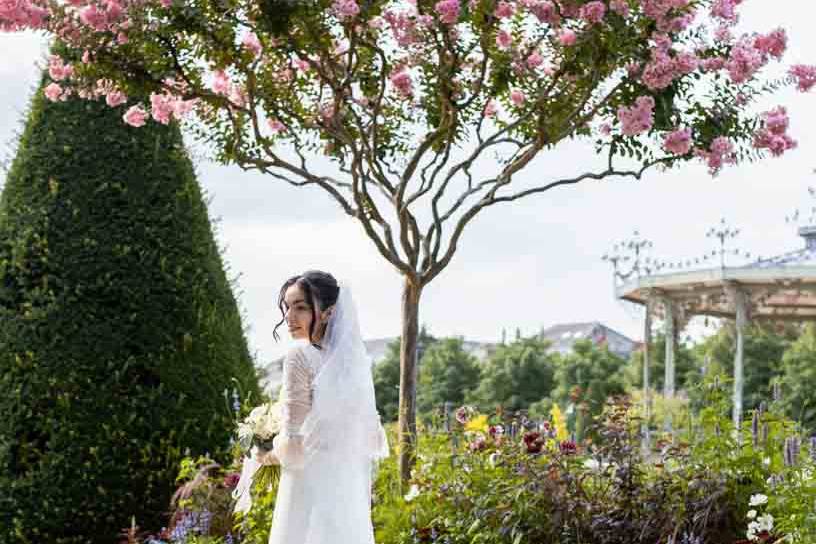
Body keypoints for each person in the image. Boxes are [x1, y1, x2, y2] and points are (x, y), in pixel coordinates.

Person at [255, 270, 390, 544]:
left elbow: (293, 440)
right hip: (345, 484)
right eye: (287, 307)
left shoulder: (299, 356)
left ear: (328, 313)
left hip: (308, 481)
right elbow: (367, 434)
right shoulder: (355, 363)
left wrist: (264, 453)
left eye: (301, 308)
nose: (290, 318)